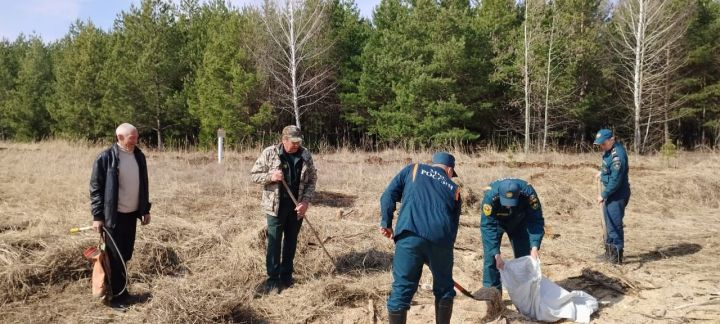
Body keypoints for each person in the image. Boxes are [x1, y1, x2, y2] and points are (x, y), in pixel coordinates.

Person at [379, 152, 462, 324]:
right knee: (445, 289)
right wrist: (441, 254)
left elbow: (388, 195)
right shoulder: (455, 190)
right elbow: (454, 227)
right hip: (441, 240)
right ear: (449, 170)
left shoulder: (414, 169)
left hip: (410, 234)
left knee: (401, 289)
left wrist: (386, 222)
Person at [250, 125, 317, 295]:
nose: (296, 145)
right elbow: (254, 175)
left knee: (291, 241)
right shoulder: (270, 153)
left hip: (296, 206)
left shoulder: (305, 155)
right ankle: (273, 280)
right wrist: (271, 177)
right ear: (284, 140)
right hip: (275, 207)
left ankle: (286, 277)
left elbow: (312, 180)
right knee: (274, 242)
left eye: (299, 142)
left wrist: (305, 202)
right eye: (293, 142)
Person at [90, 123, 152, 307]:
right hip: (113, 217)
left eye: (136, 136)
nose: (136, 140)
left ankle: (121, 292)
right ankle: (116, 298)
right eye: (132, 137)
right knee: (114, 257)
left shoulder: (138, 156)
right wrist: (97, 216)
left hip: (132, 215)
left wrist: (145, 210)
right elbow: (96, 189)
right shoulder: (105, 158)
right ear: (120, 137)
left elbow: (144, 184)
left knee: (125, 254)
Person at [480, 178, 544, 291]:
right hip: (497, 223)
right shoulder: (490, 196)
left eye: (512, 203)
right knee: (492, 260)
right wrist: (496, 254)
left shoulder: (529, 194)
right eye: (506, 203)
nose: (509, 206)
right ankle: (492, 295)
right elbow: (488, 226)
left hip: (519, 222)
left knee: (525, 258)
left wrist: (534, 247)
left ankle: (525, 293)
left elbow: (536, 220)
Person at [593, 129, 630, 264]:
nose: (601, 147)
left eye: (603, 144)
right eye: (600, 144)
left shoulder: (617, 155)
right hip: (611, 193)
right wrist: (601, 174)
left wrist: (604, 194)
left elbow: (616, 179)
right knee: (608, 223)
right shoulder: (609, 151)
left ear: (612, 140)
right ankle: (608, 252)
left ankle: (616, 256)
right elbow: (609, 171)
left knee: (614, 224)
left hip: (617, 194)